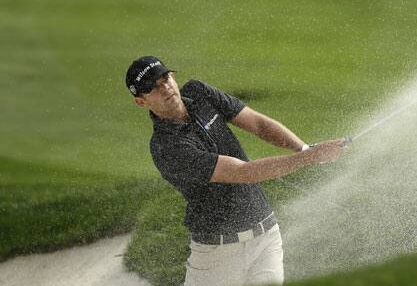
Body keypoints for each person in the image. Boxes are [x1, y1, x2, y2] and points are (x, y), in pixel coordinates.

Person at [125, 56, 345, 286]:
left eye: (165, 78)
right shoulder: (166, 147)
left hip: (266, 238)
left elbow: (258, 123)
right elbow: (244, 172)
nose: (165, 88)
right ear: (142, 102)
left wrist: (304, 148)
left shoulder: (199, 93)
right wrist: (309, 158)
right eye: (152, 87)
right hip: (216, 256)